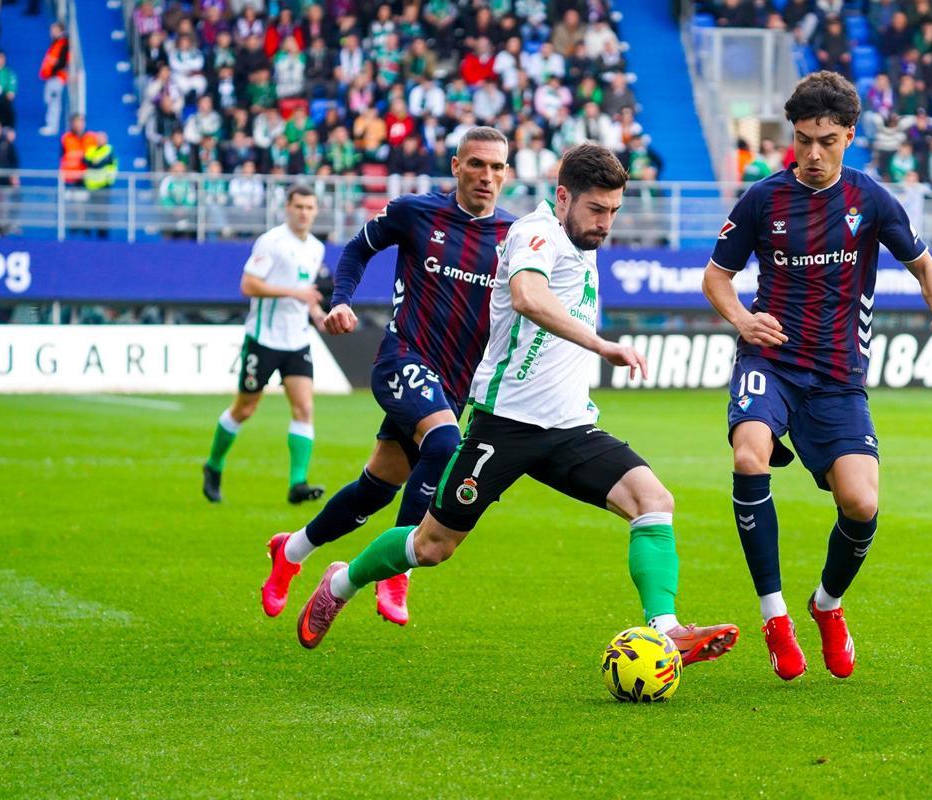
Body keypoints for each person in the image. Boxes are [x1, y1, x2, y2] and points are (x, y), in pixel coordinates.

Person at [290, 143, 741, 669]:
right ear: (563, 196)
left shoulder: (581, 240)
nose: (605, 224)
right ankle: (340, 583)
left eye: (614, 211)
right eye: (597, 210)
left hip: (571, 427)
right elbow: (528, 295)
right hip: (505, 427)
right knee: (431, 546)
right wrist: (601, 343)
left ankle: (667, 632)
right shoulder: (535, 232)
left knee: (653, 501)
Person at [701, 72, 932, 681]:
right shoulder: (763, 199)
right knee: (749, 456)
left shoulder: (869, 199)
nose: (812, 154)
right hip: (771, 361)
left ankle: (827, 604)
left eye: (825, 141)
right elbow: (716, 277)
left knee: (861, 502)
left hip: (840, 377)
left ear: (849, 135)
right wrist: (743, 319)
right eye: (801, 140)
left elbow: (929, 271)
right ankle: (775, 617)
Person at [259, 126, 516, 627]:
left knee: (375, 488)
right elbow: (356, 250)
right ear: (457, 165)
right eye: (477, 164)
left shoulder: (514, 236)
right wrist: (340, 302)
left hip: (455, 384)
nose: (487, 176)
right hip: (403, 358)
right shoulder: (415, 212)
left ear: (507, 173)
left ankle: (290, 550)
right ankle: (397, 572)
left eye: (497, 167)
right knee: (443, 444)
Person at [203, 184, 328, 505]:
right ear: (287, 207)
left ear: (316, 211)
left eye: (309, 207)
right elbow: (248, 284)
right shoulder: (271, 242)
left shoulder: (316, 248)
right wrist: (293, 293)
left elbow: (305, 292)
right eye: (298, 206)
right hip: (264, 339)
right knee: (245, 408)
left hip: (297, 340)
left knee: (304, 408)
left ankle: (297, 483)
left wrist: (316, 313)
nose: (304, 213)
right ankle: (213, 466)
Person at [38, 22, 69, 136]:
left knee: (54, 101)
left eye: (54, 29)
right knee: (49, 100)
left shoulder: (64, 43)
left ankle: (52, 126)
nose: (51, 32)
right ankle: (50, 124)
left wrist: (53, 70)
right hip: (51, 77)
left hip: (57, 77)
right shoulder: (56, 43)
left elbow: (62, 62)